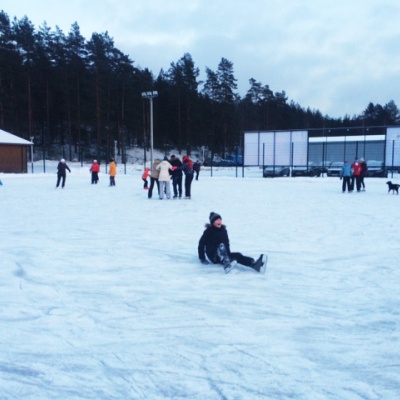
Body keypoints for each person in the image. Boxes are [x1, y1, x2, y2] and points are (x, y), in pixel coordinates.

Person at [198, 212, 267, 274]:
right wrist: (202, 258)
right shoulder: (208, 231)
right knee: (221, 246)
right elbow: (201, 244)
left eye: (220, 219)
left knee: (238, 255)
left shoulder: (223, 230)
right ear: (212, 222)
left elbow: (227, 243)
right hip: (213, 256)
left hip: (223, 254)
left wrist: (228, 254)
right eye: (216, 220)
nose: (219, 221)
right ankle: (226, 262)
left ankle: (254, 264)